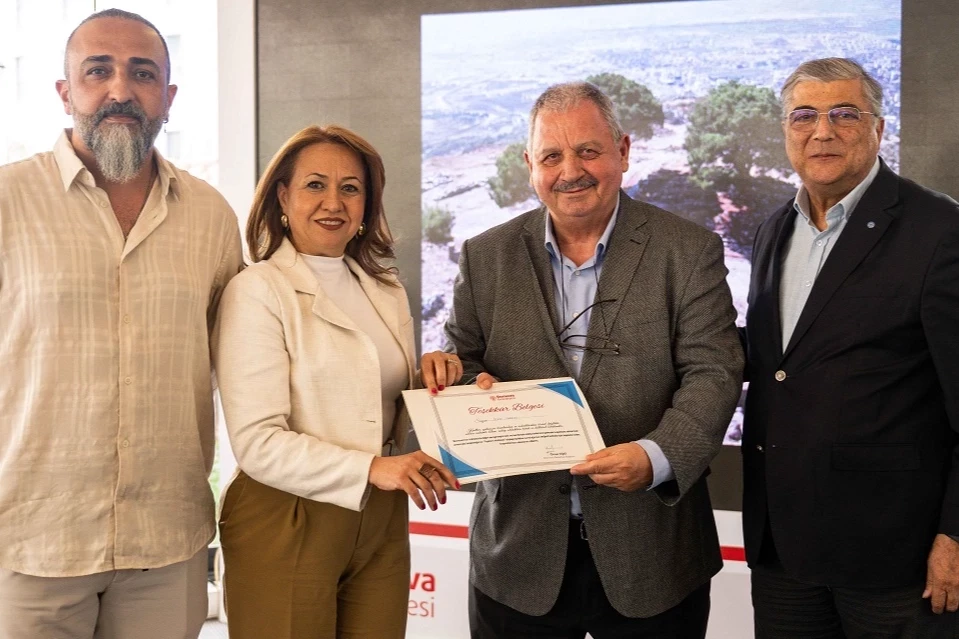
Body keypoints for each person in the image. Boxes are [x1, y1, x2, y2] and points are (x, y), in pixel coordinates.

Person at [442, 81, 743, 638]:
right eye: (551, 156)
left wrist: (655, 457)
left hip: (654, 554)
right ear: (529, 165)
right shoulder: (485, 256)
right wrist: (465, 385)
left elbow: (714, 373)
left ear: (623, 152)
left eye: (588, 151)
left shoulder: (688, 250)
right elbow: (460, 361)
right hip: (516, 555)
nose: (570, 171)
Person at [0, 9, 243, 639]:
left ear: (168, 95)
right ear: (65, 92)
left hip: (166, 540)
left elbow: (246, 358)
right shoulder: (8, 201)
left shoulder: (210, 216)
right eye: (97, 71)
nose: (120, 89)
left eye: (142, 73)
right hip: (31, 541)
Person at [214, 124, 460, 639]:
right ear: (283, 196)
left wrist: (434, 378)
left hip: (381, 513)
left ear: (367, 205)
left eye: (351, 188)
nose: (334, 202)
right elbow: (258, 442)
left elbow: (374, 399)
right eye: (315, 185)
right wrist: (373, 469)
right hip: (285, 515)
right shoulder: (257, 291)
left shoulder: (385, 289)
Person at [742, 57, 959, 638]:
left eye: (844, 114)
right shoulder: (773, 230)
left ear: (878, 128)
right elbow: (777, 359)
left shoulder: (940, 231)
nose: (823, 131)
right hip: (782, 550)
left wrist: (957, 536)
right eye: (804, 116)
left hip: (895, 555)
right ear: (786, 130)